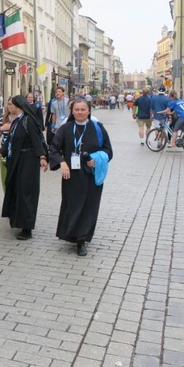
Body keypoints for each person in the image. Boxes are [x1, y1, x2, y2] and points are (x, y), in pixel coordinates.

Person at [49, 98, 113, 256]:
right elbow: (54, 148)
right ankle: (70, 233)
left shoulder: (98, 128)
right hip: (71, 175)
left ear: (89, 111)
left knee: (88, 207)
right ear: (72, 111)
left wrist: (96, 160)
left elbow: (108, 150)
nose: (80, 112)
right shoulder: (65, 128)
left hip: (91, 175)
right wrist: (62, 162)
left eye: (83, 109)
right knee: (72, 205)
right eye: (76, 109)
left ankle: (81, 240)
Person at [0, 95, 49, 240]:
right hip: (15, 160)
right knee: (16, 189)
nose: (8, 106)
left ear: (18, 105)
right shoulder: (16, 121)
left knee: (26, 192)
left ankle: (27, 228)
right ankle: (17, 219)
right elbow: (10, 140)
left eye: (10, 104)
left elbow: (36, 139)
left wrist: (42, 157)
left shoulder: (28, 120)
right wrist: (0, 153)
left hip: (28, 160)